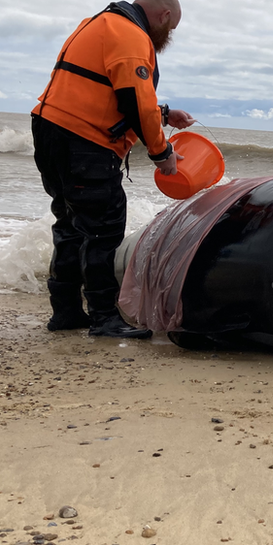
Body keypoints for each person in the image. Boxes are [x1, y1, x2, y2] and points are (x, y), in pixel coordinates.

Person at [31, 0, 195, 338]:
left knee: (70, 224)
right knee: (103, 229)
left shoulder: (97, 23)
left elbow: (101, 90)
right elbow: (135, 99)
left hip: (51, 130)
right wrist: (161, 153)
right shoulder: (132, 36)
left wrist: (163, 114)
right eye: (171, 29)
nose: (168, 37)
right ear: (164, 16)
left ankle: (65, 313)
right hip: (83, 141)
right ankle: (104, 318)